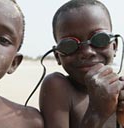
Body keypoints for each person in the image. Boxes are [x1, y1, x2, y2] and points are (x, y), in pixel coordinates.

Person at [39, 0, 124, 128]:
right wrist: (97, 112)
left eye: (99, 39)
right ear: (58, 55)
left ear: (115, 46)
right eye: (69, 45)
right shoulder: (58, 86)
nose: (87, 52)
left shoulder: (119, 89)